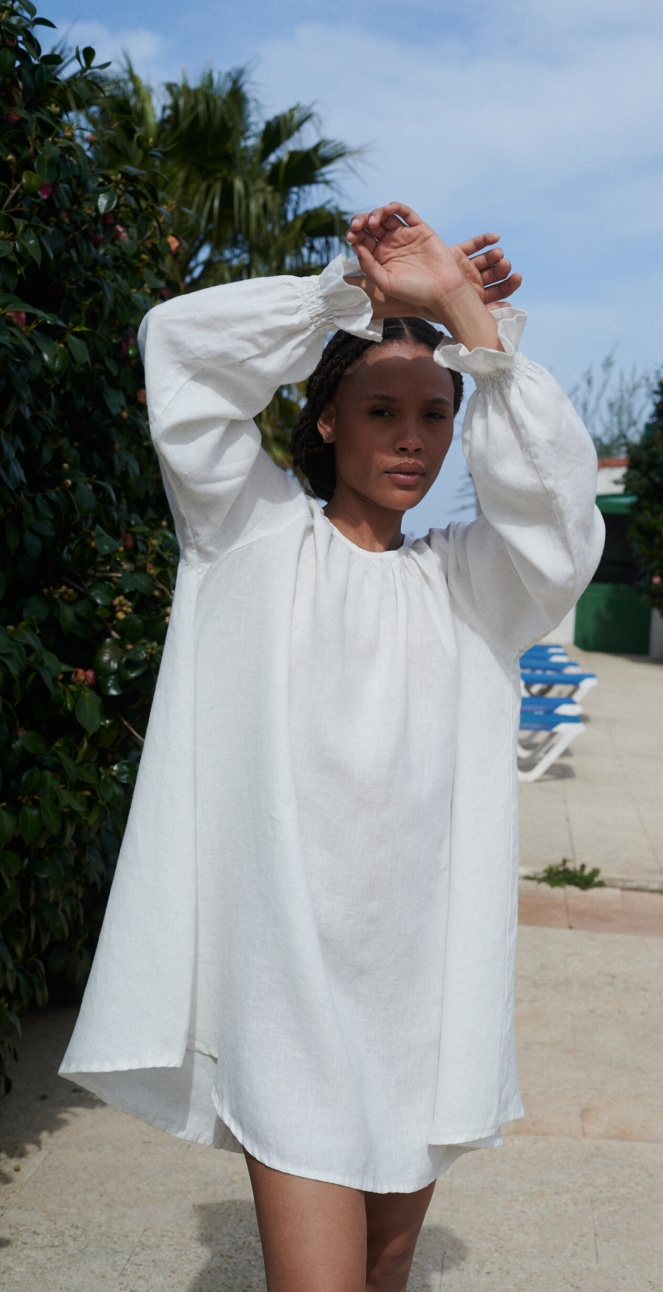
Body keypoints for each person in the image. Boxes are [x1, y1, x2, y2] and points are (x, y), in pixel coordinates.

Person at [59, 202, 604, 1291]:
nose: (411, 436)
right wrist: (349, 299)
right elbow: (180, 344)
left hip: (423, 992)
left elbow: (558, 515)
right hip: (289, 991)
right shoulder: (247, 535)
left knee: (385, 1271)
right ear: (323, 422)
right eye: (380, 407)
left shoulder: (470, 583)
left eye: (436, 413)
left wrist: (465, 321)